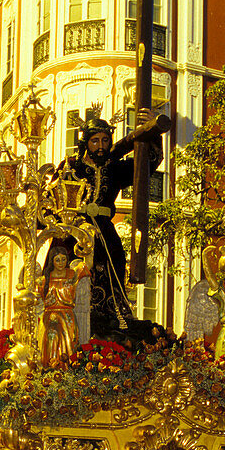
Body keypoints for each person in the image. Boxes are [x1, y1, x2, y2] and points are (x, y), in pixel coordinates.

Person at [58, 114, 166, 337]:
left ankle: (112, 315)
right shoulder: (71, 166)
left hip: (105, 231)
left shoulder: (115, 168)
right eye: (95, 140)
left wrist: (153, 131)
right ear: (85, 143)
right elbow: (55, 196)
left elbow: (147, 164)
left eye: (105, 140)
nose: (100, 146)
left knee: (112, 266)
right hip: (74, 232)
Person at [37, 242, 91, 365]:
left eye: (63, 259)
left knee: (69, 342)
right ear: (52, 261)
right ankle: (50, 368)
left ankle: (67, 370)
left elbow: (88, 265)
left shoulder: (72, 275)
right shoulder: (44, 279)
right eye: (57, 260)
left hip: (67, 316)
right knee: (51, 340)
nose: (61, 262)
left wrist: (87, 246)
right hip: (49, 317)